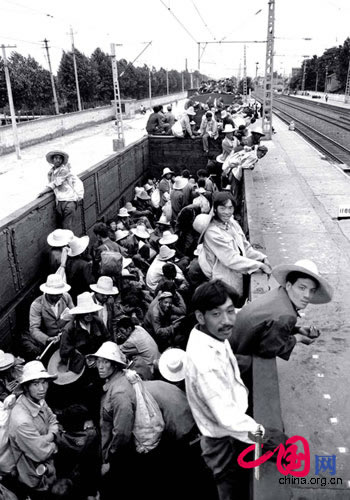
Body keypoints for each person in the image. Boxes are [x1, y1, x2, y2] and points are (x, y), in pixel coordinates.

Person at [185, 280, 266, 500]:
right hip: (221, 437)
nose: (227, 321)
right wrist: (265, 437)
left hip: (230, 426)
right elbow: (227, 417)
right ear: (200, 317)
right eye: (216, 314)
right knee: (225, 481)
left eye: (230, 311)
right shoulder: (204, 362)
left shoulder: (211, 334)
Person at [230, 259, 333, 360]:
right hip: (233, 357)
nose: (307, 295)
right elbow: (268, 350)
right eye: (302, 288)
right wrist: (298, 338)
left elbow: (269, 325)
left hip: (230, 342)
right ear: (288, 285)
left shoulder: (278, 293)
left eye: (312, 291)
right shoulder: (287, 315)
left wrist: (297, 329)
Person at [195, 192, 271, 304]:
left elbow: (246, 247)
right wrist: (258, 265)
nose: (227, 212)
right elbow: (230, 259)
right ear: (215, 209)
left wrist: (262, 258)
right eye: (222, 208)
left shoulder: (232, 223)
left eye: (230, 208)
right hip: (226, 283)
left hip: (241, 276)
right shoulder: (212, 232)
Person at [8, 361, 58, 498]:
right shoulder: (21, 420)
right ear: (26, 387)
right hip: (34, 478)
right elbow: (41, 453)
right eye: (36, 384)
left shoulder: (39, 400)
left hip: (49, 469)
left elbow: (53, 420)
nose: (42, 388)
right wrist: (55, 442)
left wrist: (48, 437)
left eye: (44, 382)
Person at [60, 292, 110, 374]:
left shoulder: (98, 322)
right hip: (81, 367)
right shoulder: (69, 329)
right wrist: (84, 360)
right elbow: (65, 353)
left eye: (91, 312)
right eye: (85, 312)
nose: (89, 315)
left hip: (100, 361)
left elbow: (107, 340)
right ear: (79, 313)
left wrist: (99, 357)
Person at [28, 275, 74, 358]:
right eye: (55, 294)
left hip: (67, 337)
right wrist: (47, 339)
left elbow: (75, 314)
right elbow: (34, 329)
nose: (59, 296)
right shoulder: (37, 305)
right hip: (49, 344)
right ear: (48, 292)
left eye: (60, 293)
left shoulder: (66, 297)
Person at [37, 151, 84, 230]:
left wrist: (42, 192)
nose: (58, 160)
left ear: (62, 160)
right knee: (62, 227)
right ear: (52, 160)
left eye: (60, 158)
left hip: (69, 201)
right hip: (60, 202)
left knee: (67, 227)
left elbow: (55, 183)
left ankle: (68, 242)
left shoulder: (63, 170)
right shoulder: (51, 172)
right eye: (56, 158)